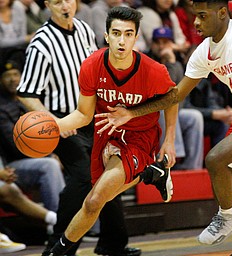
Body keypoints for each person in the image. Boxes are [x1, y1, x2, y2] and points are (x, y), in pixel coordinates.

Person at [100, 0, 232, 255]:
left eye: (203, 16)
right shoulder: (203, 53)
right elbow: (175, 96)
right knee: (224, 185)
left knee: (214, 159)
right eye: (195, 16)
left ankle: (227, 217)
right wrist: (131, 112)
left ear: (222, 13)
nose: (196, 22)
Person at [40, 6, 177, 256]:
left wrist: (169, 140)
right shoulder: (92, 66)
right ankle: (152, 174)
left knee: (94, 199)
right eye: (116, 33)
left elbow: (172, 98)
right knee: (97, 197)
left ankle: (56, 252)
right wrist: (51, 127)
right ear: (106, 36)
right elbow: (83, 114)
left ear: (136, 37)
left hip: (140, 136)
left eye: (128, 34)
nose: (121, 40)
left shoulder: (153, 70)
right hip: (105, 133)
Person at [16, 1, 141, 255]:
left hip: (92, 116)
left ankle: (112, 244)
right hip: (62, 120)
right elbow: (26, 93)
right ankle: (58, 246)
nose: (65, 5)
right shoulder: (41, 42)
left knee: (111, 172)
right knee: (84, 177)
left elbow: (98, 70)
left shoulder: (84, 29)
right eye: (58, 1)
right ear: (48, 4)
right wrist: (53, 124)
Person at [0, 57, 65, 213]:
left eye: (16, 74)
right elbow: (17, 145)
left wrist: (57, 153)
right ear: (0, 80)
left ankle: (92, 229)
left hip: (37, 157)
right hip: (13, 165)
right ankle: (59, 226)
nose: (12, 79)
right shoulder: (1, 108)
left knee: (74, 163)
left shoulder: (29, 102)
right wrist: (49, 154)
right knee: (49, 165)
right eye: (7, 76)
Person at [150, 27, 204, 170]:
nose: (161, 46)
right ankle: (174, 156)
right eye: (158, 42)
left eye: (165, 42)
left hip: (175, 110)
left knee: (194, 116)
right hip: (151, 111)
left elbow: (176, 92)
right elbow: (161, 93)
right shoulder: (147, 61)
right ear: (152, 44)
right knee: (162, 110)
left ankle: (193, 167)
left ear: (172, 44)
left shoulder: (177, 64)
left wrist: (172, 62)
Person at [184, 77, 232, 148]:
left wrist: (225, 113)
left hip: (204, 118)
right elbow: (185, 106)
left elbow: (211, 102)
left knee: (221, 125)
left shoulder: (204, 80)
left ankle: (219, 157)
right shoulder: (183, 77)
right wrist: (213, 114)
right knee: (195, 117)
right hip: (185, 117)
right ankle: (191, 159)